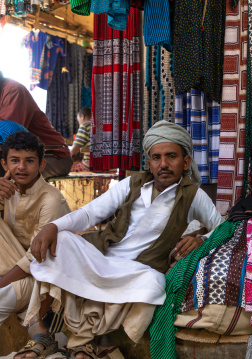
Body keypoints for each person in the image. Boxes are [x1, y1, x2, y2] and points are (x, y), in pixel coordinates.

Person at [14, 120, 223, 359]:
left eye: (171, 156)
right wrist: (52, 226)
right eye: (156, 158)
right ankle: (41, 331)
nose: (163, 164)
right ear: (149, 162)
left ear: (185, 162)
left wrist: (203, 240)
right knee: (61, 241)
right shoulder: (133, 184)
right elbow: (90, 213)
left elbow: (222, 227)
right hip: (101, 257)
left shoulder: (193, 195)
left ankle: (87, 340)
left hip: (137, 270)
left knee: (154, 285)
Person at [0, 131, 70, 328]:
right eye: (14, 160)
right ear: (4, 165)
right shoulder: (8, 189)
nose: (21, 167)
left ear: (41, 165)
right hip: (14, 267)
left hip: (43, 275)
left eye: (29, 161)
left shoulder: (51, 199)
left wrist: (2, 283)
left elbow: (35, 257)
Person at [0, 71, 72, 178]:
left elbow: (8, 137)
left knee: (8, 175)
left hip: (52, 157)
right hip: (22, 156)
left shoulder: (13, 91)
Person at [70, 108, 91, 172]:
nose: (79, 123)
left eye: (78, 120)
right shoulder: (102, 125)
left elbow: (74, 150)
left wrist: (65, 157)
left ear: (82, 116)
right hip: (106, 165)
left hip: (89, 165)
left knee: (63, 169)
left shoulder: (85, 126)